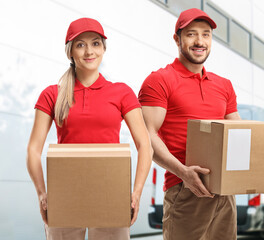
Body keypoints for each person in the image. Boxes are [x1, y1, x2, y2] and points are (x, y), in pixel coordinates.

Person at [26, 17, 152, 240]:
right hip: (64, 194)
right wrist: (42, 194)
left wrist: (136, 192)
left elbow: (145, 145)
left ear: (104, 48)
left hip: (111, 193)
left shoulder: (121, 92)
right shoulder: (52, 94)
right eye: (80, 44)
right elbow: (33, 150)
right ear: (70, 52)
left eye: (95, 43)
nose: (89, 51)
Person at [138, 8, 241, 240]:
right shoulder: (159, 80)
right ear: (177, 39)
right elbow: (147, 137)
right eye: (191, 34)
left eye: (206, 34)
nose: (199, 41)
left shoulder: (224, 85)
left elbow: (240, 134)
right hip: (184, 188)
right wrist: (183, 172)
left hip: (225, 192)